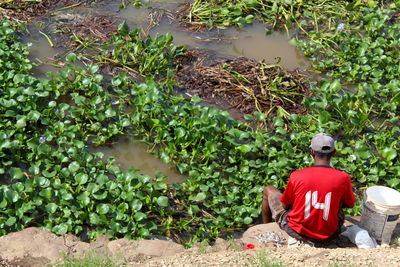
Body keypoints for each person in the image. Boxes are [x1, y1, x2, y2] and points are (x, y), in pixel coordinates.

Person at [261, 133, 355, 246]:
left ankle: (265, 228)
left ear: (312, 152)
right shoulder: (343, 177)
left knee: (269, 190)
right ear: (334, 153)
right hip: (329, 235)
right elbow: (350, 204)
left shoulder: (297, 175)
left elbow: (285, 206)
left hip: (298, 232)